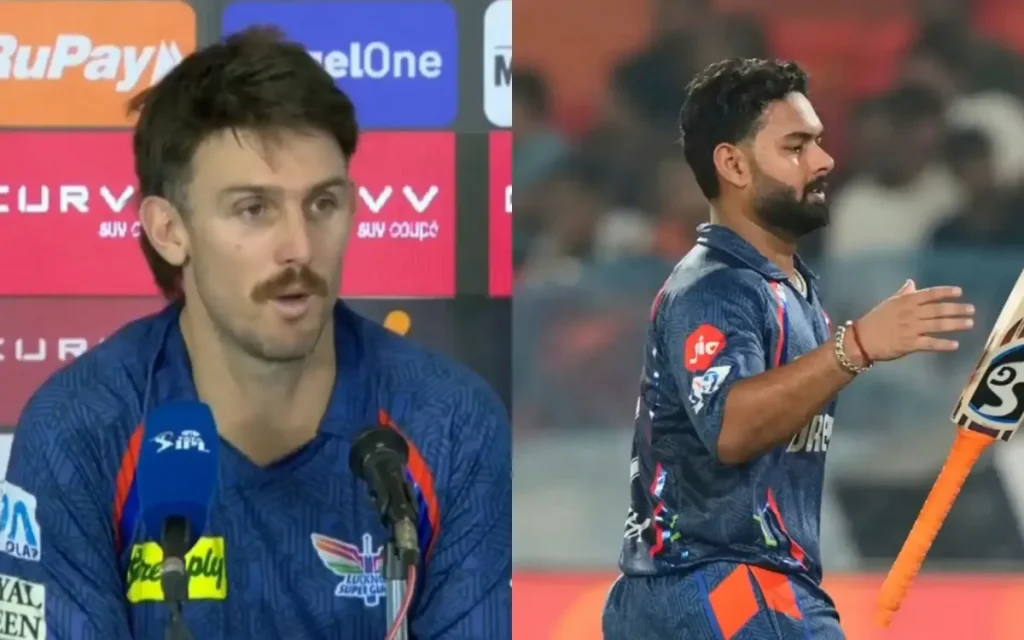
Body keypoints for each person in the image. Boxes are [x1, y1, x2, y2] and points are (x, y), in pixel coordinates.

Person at [0, 27, 511, 640]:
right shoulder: (80, 430)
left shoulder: (450, 422)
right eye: (254, 209)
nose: (299, 248)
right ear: (169, 231)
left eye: (322, 204)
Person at [601, 58, 974, 640]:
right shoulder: (716, 286)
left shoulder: (790, 289)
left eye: (818, 142)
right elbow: (731, 429)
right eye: (796, 147)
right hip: (723, 583)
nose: (824, 161)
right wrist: (857, 346)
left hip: (725, 588)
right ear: (733, 164)